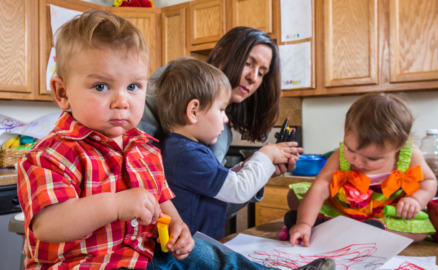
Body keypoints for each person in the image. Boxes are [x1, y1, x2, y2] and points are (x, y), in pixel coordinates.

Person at [15, 10, 300, 270]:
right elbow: (47, 225)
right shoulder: (50, 154)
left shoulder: (145, 148)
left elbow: (162, 198)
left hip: (146, 258)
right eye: (101, 86)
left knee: (209, 255)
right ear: (62, 92)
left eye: (134, 86)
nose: (122, 101)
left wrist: (178, 225)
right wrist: (115, 205)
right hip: (84, 264)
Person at [138, 26, 299, 218]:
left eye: (262, 73)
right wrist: (259, 163)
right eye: (248, 63)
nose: (253, 77)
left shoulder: (221, 135)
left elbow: (213, 202)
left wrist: (256, 172)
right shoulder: (177, 82)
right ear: (220, 55)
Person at [153, 57, 302, 240]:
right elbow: (238, 190)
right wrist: (266, 155)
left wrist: (247, 166)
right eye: (222, 109)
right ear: (193, 111)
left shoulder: (181, 148)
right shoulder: (187, 154)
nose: (226, 118)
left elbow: (218, 181)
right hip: (193, 252)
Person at [282, 93, 438, 247]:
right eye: (351, 150)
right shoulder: (340, 155)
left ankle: (369, 230)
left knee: (421, 232)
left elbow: (429, 181)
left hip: (385, 216)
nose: (357, 161)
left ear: (399, 146)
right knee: (295, 195)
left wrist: (416, 199)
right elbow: (320, 188)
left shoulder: (409, 155)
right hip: (343, 211)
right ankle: (317, 224)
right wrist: (304, 223)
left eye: (372, 158)